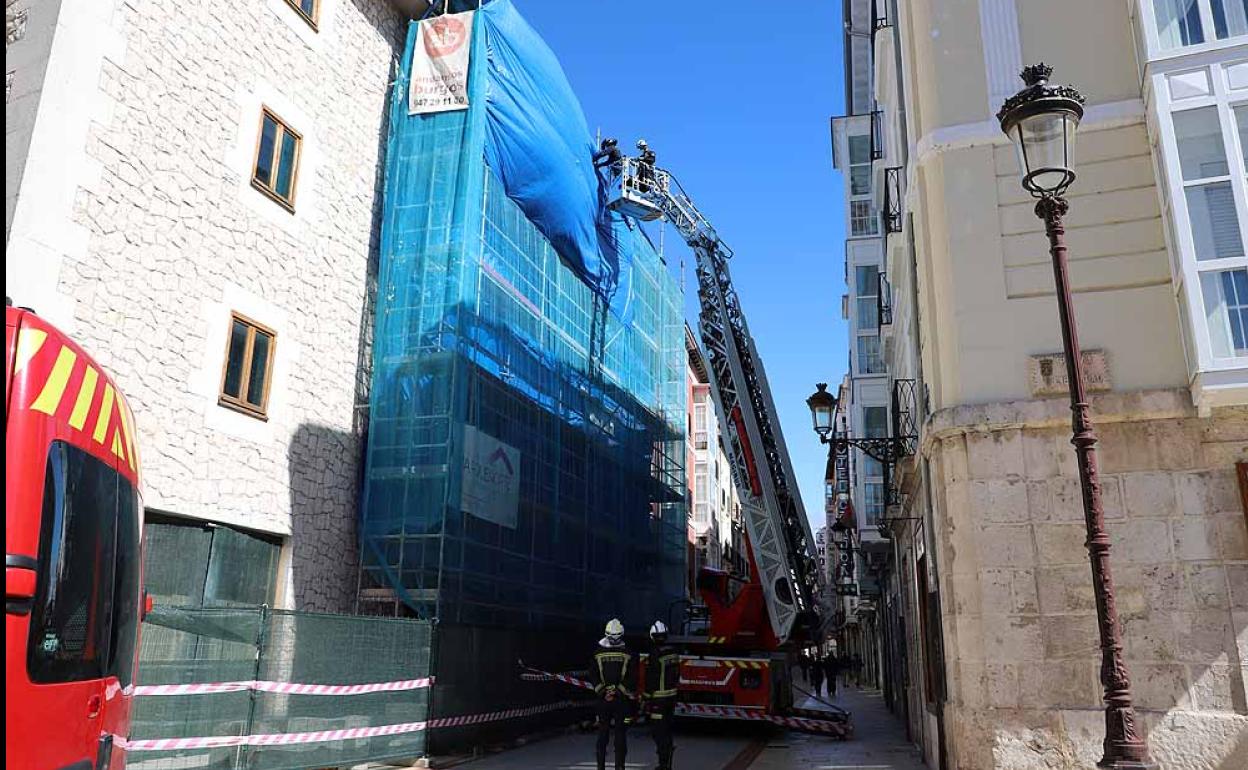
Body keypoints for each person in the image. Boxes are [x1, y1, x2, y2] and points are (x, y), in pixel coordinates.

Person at [591, 618, 633, 770]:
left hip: (604, 700)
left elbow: (593, 675)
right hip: (620, 700)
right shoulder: (628, 652)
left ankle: (600, 767)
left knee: (603, 734)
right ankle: (619, 767)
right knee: (620, 735)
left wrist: (603, 692)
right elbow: (631, 676)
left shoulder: (597, 652)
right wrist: (618, 691)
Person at [643, 621, 680, 770]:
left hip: (659, 699)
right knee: (667, 730)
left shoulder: (655, 654)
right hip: (671, 697)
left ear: (653, 636)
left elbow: (651, 678)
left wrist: (645, 696)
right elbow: (677, 673)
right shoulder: (673, 651)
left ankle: (663, 764)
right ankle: (667, 762)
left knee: (659, 732)